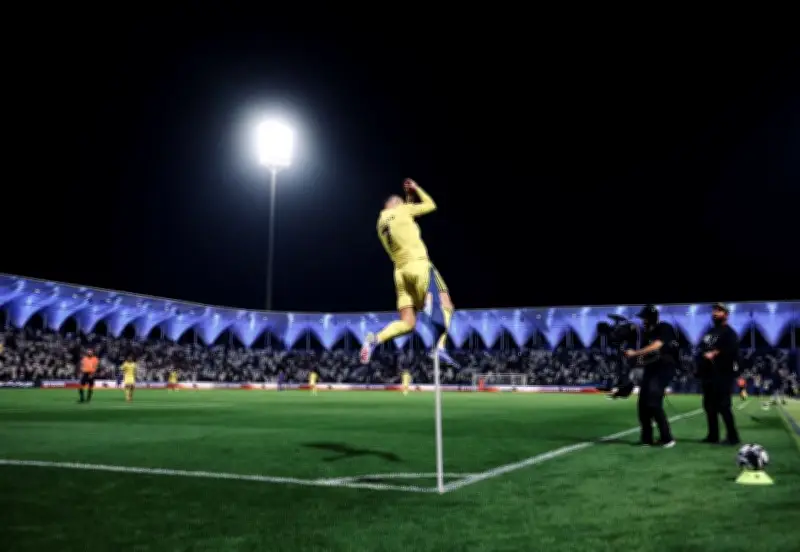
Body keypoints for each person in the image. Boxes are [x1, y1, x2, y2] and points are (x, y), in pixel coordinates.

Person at [360, 179, 455, 365]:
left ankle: (375, 339)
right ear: (397, 203)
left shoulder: (381, 223)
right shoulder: (402, 210)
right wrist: (416, 188)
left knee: (408, 323)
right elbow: (430, 205)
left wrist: (408, 198)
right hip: (419, 266)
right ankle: (439, 346)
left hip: (400, 273)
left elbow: (405, 219)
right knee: (446, 304)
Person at [623, 305, 678, 448]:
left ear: (651, 318)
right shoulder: (647, 334)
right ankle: (646, 439)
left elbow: (656, 346)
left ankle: (667, 438)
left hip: (663, 369)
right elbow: (646, 354)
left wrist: (635, 353)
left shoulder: (664, 327)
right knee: (642, 405)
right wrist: (638, 359)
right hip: (651, 369)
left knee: (653, 402)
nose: (643, 321)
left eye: (645, 318)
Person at [697, 303, 741, 444]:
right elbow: (701, 347)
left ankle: (733, 437)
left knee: (723, 406)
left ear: (726, 314)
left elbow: (732, 350)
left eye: (719, 310)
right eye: (714, 310)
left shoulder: (729, 333)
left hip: (723, 374)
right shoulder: (709, 332)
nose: (715, 313)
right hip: (708, 374)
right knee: (709, 406)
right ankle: (713, 436)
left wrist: (715, 353)